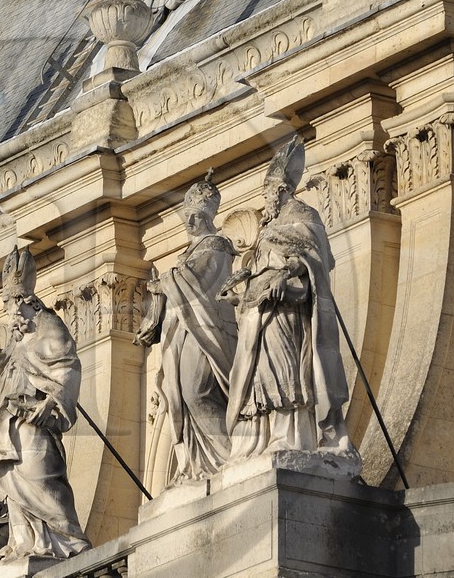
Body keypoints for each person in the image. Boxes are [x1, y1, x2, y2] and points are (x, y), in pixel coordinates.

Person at [222, 136, 358, 465]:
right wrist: (242, 292)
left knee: (286, 371)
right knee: (261, 374)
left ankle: (293, 435)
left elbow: (316, 258)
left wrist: (295, 273)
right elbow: (260, 268)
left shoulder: (303, 215)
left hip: (288, 312)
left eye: (268, 194)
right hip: (261, 314)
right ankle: (263, 437)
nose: (266, 201)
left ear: (282, 190)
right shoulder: (269, 227)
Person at [0, 248, 89, 561]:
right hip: (11, 428)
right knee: (16, 485)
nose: (7, 313)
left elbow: (68, 367)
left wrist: (52, 401)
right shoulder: (16, 339)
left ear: (21, 302)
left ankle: (70, 541)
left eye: (8, 304)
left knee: (42, 479)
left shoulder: (49, 327)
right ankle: (27, 543)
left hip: (35, 427)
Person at [135, 174, 237, 481]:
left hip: (205, 333)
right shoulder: (187, 254)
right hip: (181, 334)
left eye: (197, 215)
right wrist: (153, 316)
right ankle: (197, 467)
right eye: (187, 215)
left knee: (197, 393)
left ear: (208, 216)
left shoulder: (217, 246)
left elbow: (199, 283)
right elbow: (178, 285)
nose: (190, 221)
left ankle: (230, 456)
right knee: (182, 398)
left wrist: (164, 283)